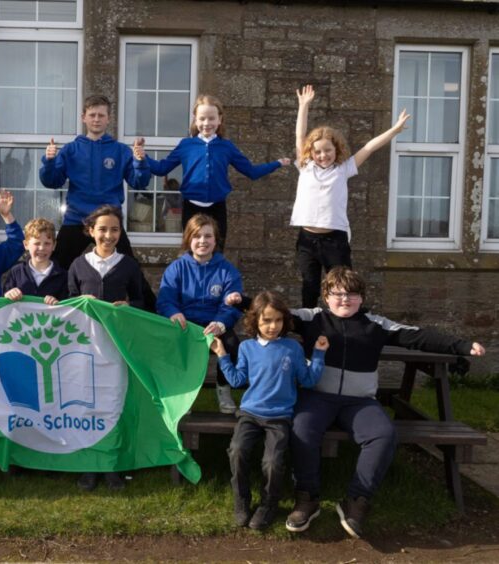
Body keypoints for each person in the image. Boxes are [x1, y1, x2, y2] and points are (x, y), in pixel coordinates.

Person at [285, 266, 486, 539]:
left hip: (359, 402)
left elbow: (418, 336)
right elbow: (269, 311)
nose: (345, 299)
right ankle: (307, 498)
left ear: (362, 298)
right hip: (317, 397)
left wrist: (461, 345)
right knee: (301, 428)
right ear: (326, 296)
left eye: (352, 294)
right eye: (337, 293)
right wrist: (237, 302)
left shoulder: (376, 325)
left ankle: (356, 501)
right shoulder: (311, 318)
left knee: (383, 434)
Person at [211, 291, 328, 530]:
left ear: (284, 321)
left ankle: (268, 504)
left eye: (277, 320)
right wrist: (222, 354)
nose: (272, 326)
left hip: (279, 417)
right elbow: (236, 380)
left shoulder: (292, 348)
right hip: (249, 414)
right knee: (237, 451)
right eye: (266, 321)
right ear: (255, 321)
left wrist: (318, 354)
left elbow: (307, 380)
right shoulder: (246, 348)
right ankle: (241, 501)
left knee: (273, 462)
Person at [291, 85, 410, 307]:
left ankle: (345, 329)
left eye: (328, 150)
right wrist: (303, 106)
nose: (323, 155)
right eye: (318, 151)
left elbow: (369, 147)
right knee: (309, 287)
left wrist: (393, 131)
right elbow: (300, 136)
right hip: (307, 239)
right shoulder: (305, 166)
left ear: (336, 150)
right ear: (311, 152)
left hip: (334, 239)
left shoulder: (344, 168)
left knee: (343, 287)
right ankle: (310, 333)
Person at [38, 95, 156, 311]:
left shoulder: (120, 151)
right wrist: (49, 161)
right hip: (76, 219)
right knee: (57, 267)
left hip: (110, 222)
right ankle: (44, 311)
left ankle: (153, 316)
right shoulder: (71, 150)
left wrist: (140, 162)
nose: (96, 119)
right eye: (92, 115)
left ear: (108, 119)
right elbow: (51, 181)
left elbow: (139, 181)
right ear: (84, 117)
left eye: (101, 115)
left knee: (132, 269)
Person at [142, 94, 290, 250]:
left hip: (217, 209)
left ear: (219, 119)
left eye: (211, 118)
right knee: (192, 254)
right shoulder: (186, 145)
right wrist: (142, 157)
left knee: (216, 253)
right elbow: (161, 168)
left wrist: (277, 163)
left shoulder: (227, 146)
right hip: (191, 209)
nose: (207, 123)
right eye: (202, 118)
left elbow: (251, 172)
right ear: (195, 119)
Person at [67, 205, 143, 491]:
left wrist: (128, 306)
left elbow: (142, 301)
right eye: (102, 229)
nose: (108, 235)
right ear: (91, 231)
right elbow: (69, 302)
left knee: (112, 406)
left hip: (115, 348)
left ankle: (112, 465)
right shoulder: (78, 264)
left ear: (120, 232)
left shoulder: (128, 265)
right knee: (85, 405)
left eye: (114, 229)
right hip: (84, 348)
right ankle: (89, 466)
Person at [156, 214, 244, 414]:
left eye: (208, 236)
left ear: (215, 240)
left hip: (215, 324)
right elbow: (165, 299)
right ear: (188, 240)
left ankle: (223, 388)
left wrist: (221, 323)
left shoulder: (227, 270)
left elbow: (232, 304)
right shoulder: (176, 268)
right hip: (186, 323)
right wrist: (173, 313)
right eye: (197, 236)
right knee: (176, 346)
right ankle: (184, 392)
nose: (202, 241)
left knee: (231, 344)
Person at [3, 218, 68, 305]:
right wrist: (8, 295)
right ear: (26, 245)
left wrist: (58, 304)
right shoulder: (16, 272)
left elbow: (68, 308)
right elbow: (3, 305)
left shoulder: (63, 276)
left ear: (54, 245)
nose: (41, 248)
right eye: (37, 243)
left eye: (47, 243)